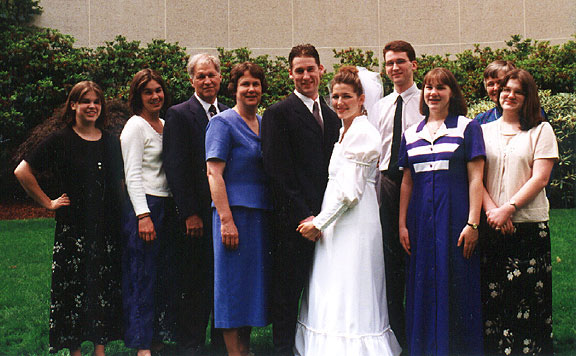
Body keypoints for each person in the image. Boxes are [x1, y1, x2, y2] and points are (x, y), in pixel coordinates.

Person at [294, 66, 402, 356]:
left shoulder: (364, 133)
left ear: (362, 98)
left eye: (347, 97)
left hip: (352, 220)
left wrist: (319, 223)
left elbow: (350, 193)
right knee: (332, 280)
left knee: (351, 280)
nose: (339, 102)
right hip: (337, 218)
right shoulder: (346, 130)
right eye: (335, 97)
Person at [14, 81, 123, 356]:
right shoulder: (60, 140)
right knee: (71, 293)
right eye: (85, 101)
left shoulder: (111, 142)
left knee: (101, 290)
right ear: (73, 105)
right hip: (72, 231)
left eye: (96, 102)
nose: (92, 106)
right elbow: (22, 171)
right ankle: (74, 350)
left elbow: (121, 183)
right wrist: (48, 203)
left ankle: (100, 350)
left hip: (106, 231)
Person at [398, 68, 485, 355]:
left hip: (455, 220)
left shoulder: (467, 127)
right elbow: (407, 181)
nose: (433, 93)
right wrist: (402, 225)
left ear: (452, 93)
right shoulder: (411, 134)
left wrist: (473, 224)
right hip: (420, 222)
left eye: (441, 88)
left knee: (457, 285)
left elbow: (475, 178)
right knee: (422, 286)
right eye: (428, 87)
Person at [261, 44, 341, 356]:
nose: (306, 76)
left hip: (329, 220)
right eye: (299, 70)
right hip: (294, 221)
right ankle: (283, 348)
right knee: (288, 290)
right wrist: (306, 216)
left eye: (311, 69)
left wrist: (326, 217)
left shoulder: (334, 117)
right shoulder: (278, 114)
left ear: (321, 70)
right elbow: (277, 172)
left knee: (322, 288)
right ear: (290, 74)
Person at [480, 69, 557, 355]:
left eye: (518, 91)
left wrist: (509, 209)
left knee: (527, 298)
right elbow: (476, 177)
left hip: (527, 225)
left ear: (528, 98)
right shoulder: (483, 130)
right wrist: (493, 212)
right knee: (494, 296)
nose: (509, 95)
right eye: (505, 90)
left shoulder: (541, 130)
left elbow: (540, 178)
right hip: (491, 223)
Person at [162, 53, 227, 354]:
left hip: (224, 213)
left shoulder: (227, 113)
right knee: (195, 281)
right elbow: (175, 168)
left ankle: (219, 342)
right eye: (200, 76)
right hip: (197, 216)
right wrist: (189, 213)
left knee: (220, 279)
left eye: (211, 75)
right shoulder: (179, 114)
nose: (206, 80)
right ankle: (191, 344)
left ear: (219, 77)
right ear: (191, 80)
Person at [205, 62, 271, 356]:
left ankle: (245, 349)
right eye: (245, 84)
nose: (251, 89)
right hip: (233, 216)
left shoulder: (265, 123)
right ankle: (234, 353)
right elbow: (213, 173)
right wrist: (226, 220)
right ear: (234, 89)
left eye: (256, 84)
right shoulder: (222, 123)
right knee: (231, 286)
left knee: (250, 286)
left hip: (259, 216)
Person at [367, 40, 424, 348]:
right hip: (388, 186)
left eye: (401, 61)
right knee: (391, 264)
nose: (395, 68)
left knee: (419, 255)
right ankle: (398, 334)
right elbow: (377, 154)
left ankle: (421, 328)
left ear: (413, 64)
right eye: (389, 63)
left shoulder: (426, 102)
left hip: (421, 185)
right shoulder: (381, 107)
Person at [120, 69, 177, 356]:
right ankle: (142, 345)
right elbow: (132, 175)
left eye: (158, 90)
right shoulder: (135, 126)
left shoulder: (165, 124)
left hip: (166, 205)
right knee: (142, 275)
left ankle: (156, 339)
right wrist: (143, 215)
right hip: (145, 208)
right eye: (148, 92)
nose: (155, 96)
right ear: (138, 96)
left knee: (162, 276)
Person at [474, 60, 517, 125]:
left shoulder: (532, 116)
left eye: (500, 82)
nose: (496, 88)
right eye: (490, 84)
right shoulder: (482, 121)